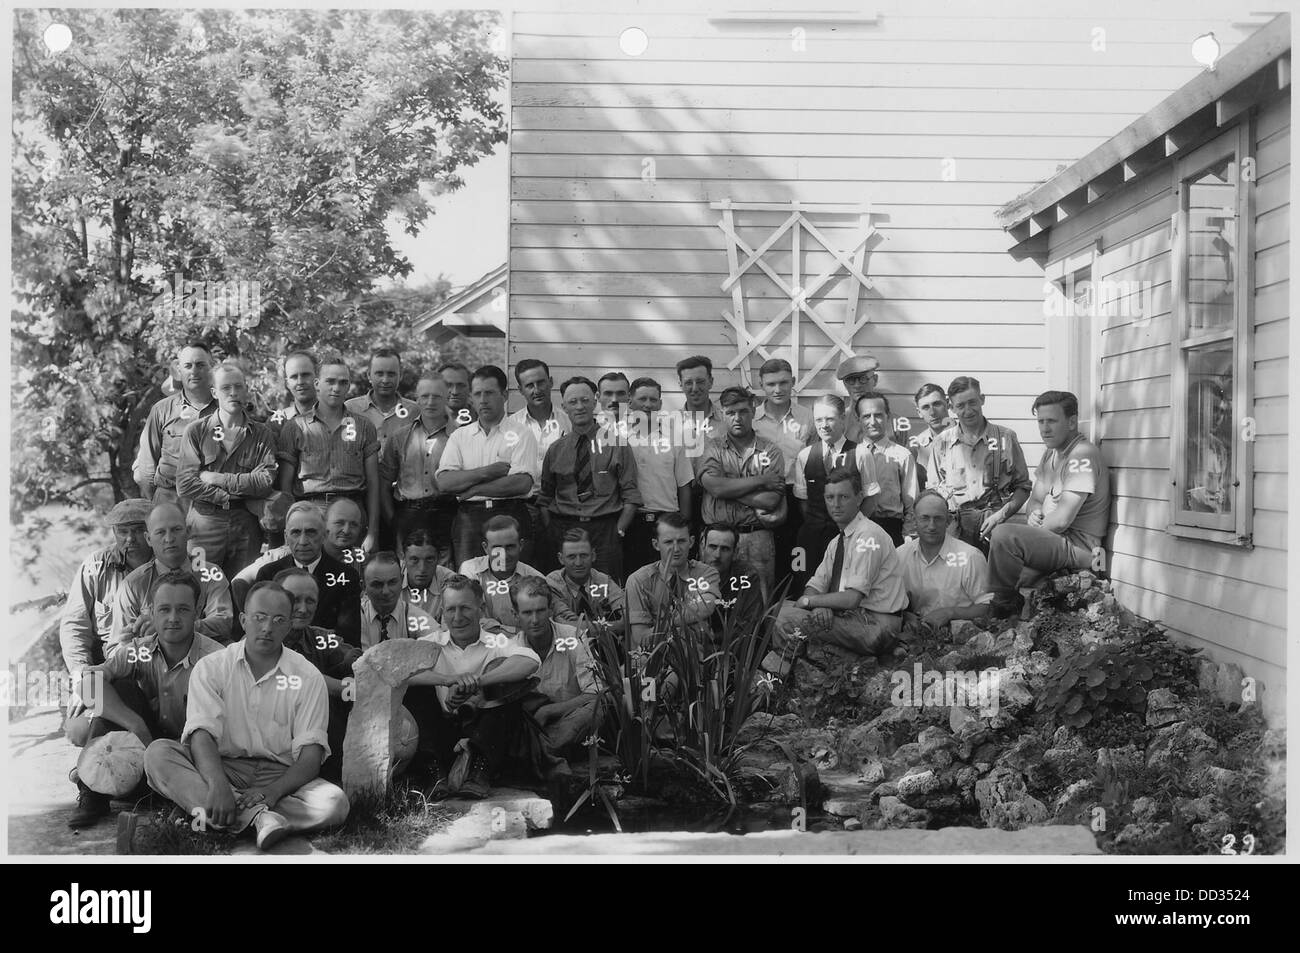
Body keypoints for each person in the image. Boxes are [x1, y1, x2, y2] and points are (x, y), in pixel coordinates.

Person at [143, 582, 350, 850]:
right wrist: (218, 784)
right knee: (158, 754)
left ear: (288, 627)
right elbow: (201, 734)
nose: (267, 627)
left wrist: (271, 793)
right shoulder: (213, 667)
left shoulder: (307, 677)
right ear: (243, 620)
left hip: (280, 774)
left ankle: (216, 812)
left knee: (335, 803)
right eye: (259, 617)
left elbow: (310, 758)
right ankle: (258, 819)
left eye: (278, 620)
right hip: (223, 765)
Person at [65, 572, 223, 829]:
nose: (173, 618)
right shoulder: (139, 649)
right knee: (120, 689)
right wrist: (136, 724)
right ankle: (92, 793)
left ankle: (154, 794)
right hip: (145, 744)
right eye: (164, 609)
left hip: (187, 756)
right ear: (151, 612)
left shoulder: (216, 659)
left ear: (197, 612)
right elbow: (89, 684)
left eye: (183, 609)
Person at [401, 575, 542, 799]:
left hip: (484, 733)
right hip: (440, 733)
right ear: (442, 612)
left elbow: (530, 661)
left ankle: (479, 771)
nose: (457, 617)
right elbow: (401, 674)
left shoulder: (497, 641)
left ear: (481, 608)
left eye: (465, 608)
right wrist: (449, 680)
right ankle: (434, 772)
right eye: (451, 609)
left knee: (507, 690)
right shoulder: (431, 642)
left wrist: (477, 682)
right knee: (416, 689)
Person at [764, 468, 906, 676]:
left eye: (843, 497)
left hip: (877, 626)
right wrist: (818, 606)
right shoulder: (837, 541)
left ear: (859, 499)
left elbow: (850, 599)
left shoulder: (868, 536)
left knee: (781, 615)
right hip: (854, 620)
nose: (836, 504)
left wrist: (811, 603)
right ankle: (798, 673)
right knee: (779, 609)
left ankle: (784, 679)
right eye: (830, 497)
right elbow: (814, 587)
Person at [987, 391, 1111, 618]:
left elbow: (1062, 520)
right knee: (1009, 565)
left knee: (1005, 535)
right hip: (1056, 541)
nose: (1044, 428)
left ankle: (1004, 608)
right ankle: (1006, 602)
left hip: (1081, 549)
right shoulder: (1051, 454)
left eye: (1052, 421)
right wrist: (1033, 513)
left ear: (1072, 421)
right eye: (1040, 421)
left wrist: (1029, 539)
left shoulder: (1082, 455)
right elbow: (1035, 499)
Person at [175, 362, 279, 577]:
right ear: (214, 392)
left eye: (239, 387)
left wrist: (216, 478)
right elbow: (185, 484)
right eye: (226, 388)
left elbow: (265, 481)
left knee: (242, 585)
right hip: (205, 522)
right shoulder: (197, 431)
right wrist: (225, 496)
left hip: (246, 524)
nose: (233, 393)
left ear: (246, 390)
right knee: (197, 585)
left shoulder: (262, 434)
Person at [436, 365, 540, 567]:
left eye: (490, 393)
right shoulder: (460, 436)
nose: (483, 400)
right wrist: (488, 472)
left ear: (504, 395)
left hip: (510, 516)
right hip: (469, 519)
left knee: (511, 581)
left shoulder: (521, 433)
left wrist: (475, 488)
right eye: (477, 394)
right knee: (469, 581)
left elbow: (522, 483)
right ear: (471, 398)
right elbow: (444, 482)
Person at [538, 376, 641, 582]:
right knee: (564, 590)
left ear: (595, 401)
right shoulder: (556, 449)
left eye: (585, 400)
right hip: (564, 529)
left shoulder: (617, 445)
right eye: (573, 402)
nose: (579, 407)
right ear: (564, 407)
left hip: (604, 532)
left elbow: (631, 496)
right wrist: (552, 530)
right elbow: (545, 496)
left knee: (606, 592)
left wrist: (618, 531)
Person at [277, 354, 381, 553]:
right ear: (317, 383)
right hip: (311, 510)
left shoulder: (364, 426)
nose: (336, 388)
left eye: (343, 383)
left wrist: (372, 533)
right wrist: (289, 527)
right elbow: (285, 486)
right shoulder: (295, 427)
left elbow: (374, 483)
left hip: (352, 511)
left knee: (352, 577)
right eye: (330, 381)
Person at [930, 376, 1033, 556]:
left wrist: (1001, 516)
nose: (968, 410)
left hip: (996, 523)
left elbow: (1023, 487)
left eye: (972, 402)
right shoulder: (942, 443)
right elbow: (932, 493)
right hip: (957, 527)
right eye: (960, 405)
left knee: (995, 580)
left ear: (982, 399)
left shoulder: (1006, 437)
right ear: (951, 407)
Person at [275, 569, 361, 783]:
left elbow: (361, 663)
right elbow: (309, 680)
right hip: (272, 735)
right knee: (322, 700)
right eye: (294, 600)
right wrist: (348, 689)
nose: (303, 609)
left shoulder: (319, 638)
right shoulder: (264, 639)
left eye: (310, 601)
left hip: (313, 739)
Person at [109, 502, 234, 649]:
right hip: (152, 664)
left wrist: (166, 627)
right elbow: (115, 647)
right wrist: (127, 645)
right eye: (160, 532)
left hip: (204, 661)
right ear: (148, 539)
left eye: (176, 530)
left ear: (188, 532)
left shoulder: (211, 574)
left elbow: (223, 623)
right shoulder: (132, 585)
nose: (169, 539)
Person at [698, 386, 786, 592]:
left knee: (759, 603)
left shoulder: (770, 450)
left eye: (743, 411)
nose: (737, 418)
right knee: (709, 598)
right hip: (717, 538)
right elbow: (715, 488)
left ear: (753, 411)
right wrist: (761, 480)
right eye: (730, 413)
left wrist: (727, 485)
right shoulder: (713, 448)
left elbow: (770, 501)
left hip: (756, 538)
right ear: (723, 415)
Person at [59, 499, 154, 676]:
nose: (130, 539)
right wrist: (81, 671)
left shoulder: (170, 562)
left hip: (159, 658)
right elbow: (75, 624)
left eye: (139, 530)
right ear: (113, 531)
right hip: (109, 664)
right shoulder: (95, 566)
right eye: (122, 531)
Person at [513, 578, 604, 758]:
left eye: (540, 611)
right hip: (534, 724)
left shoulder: (573, 636)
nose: (535, 620)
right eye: (527, 613)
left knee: (597, 708)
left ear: (551, 610)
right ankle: (548, 753)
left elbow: (595, 692)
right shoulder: (511, 650)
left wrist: (550, 710)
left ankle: (542, 754)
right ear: (516, 615)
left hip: (570, 717)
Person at [792, 396, 874, 595]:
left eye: (829, 419)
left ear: (843, 419)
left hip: (849, 537)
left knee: (843, 589)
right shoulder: (805, 456)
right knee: (806, 585)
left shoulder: (861, 453)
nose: (824, 425)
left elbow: (871, 497)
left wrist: (853, 530)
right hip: (812, 538)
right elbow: (803, 502)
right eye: (819, 420)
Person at [252, 502, 362, 646]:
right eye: (296, 532)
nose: (303, 541)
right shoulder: (268, 574)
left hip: (327, 660)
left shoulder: (346, 576)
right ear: (286, 536)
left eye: (311, 532)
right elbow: (258, 629)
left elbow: (348, 638)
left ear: (324, 535)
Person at [380, 374, 458, 563]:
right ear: (416, 398)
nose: (430, 402)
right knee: (407, 572)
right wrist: (394, 519)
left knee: (444, 574)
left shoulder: (460, 436)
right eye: (425, 396)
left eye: (437, 396)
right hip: (407, 515)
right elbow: (383, 482)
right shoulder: (399, 437)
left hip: (446, 514)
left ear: (447, 397)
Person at [751, 358, 814, 591]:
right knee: (765, 555)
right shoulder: (752, 419)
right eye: (771, 384)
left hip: (796, 494)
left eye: (783, 383)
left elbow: (814, 457)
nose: (777, 390)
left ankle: (794, 601)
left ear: (793, 382)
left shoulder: (807, 417)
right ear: (761, 385)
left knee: (797, 552)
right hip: (761, 493)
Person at [133, 342, 218, 507]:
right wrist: (157, 502)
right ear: (179, 370)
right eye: (188, 366)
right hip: (170, 500)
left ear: (212, 367)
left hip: (213, 505)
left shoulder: (227, 410)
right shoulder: (162, 410)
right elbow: (147, 464)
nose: (194, 371)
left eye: (200, 365)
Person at [622, 377, 693, 572]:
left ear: (660, 404)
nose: (647, 405)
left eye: (653, 400)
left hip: (666, 521)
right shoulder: (617, 437)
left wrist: (683, 524)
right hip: (630, 521)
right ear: (630, 402)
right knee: (633, 580)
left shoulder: (675, 437)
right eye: (642, 399)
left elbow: (684, 485)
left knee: (667, 581)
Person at [896, 491, 992, 632]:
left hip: (964, 635)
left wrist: (950, 613)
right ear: (914, 520)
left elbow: (987, 606)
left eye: (938, 519)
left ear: (948, 521)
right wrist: (906, 616)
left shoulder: (970, 557)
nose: (932, 526)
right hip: (918, 633)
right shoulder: (900, 556)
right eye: (925, 518)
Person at [625, 514, 720, 651]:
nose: (676, 549)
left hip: (694, 656)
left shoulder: (706, 573)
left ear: (691, 542)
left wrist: (661, 626)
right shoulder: (638, 580)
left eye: (681, 541)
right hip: (650, 658)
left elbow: (706, 607)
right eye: (668, 542)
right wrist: (687, 627)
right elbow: (641, 637)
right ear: (656, 545)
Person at [233, 497, 367, 595]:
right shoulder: (281, 556)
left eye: (354, 524)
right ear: (326, 526)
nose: (346, 530)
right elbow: (239, 582)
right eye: (339, 523)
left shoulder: (362, 559)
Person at [510, 359, 570, 572]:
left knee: (556, 566)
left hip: (559, 507)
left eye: (541, 382)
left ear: (550, 382)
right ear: (520, 389)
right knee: (522, 567)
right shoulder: (511, 426)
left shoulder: (568, 422)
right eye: (529, 385)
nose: (537, 390)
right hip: (522, 506)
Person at [458, 515, 561, 630]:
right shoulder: (470, 570)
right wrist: (511, 632)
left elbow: (542, 625)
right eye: (497, 548)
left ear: (521, 545)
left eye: (510, 547)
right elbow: (469, 618)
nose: (504, 555)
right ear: (485, 548)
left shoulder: (535, 578)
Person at [853, 392, 918, 547]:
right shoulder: (850, 455)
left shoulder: (902, 455)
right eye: (866, 416)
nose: (873, 421)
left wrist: (909, 535)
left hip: (891, 528)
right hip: (858, 527)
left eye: (879, 415)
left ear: (888, 416)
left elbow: (912, 501)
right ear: (858, 419)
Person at [545, 527, 626, 638]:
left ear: (593, 556)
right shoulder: (553, 583)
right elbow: (568, 627)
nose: (578, 563)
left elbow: (628, 617)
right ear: (561, 558)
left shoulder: (603, 580)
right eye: (571, 557)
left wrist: (586, 627)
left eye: (583, 555)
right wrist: (616, 626)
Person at [344, 347, 419, 452]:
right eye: (379, 374)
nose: (385, 380)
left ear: (400, 375)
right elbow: (345, 450)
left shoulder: (414, 412)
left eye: (391, 374)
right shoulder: (350, 409)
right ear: (369, 375)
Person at [359, 551, 438, 648]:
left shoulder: (415, 617)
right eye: (377, 584)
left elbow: (439, 643)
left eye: (392, 582)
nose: (386, 591)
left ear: (401, 581)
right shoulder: (357, 617)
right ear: (363, 586)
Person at [699, 523, 766, 638]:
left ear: (735, 553)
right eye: (712, 547)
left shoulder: (747, 576)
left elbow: (751, 623)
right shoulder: (689, 574)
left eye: (725, 549)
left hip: (734, 647)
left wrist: (714, 637)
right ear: (702, 547)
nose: (717, 555)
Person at [402, 528, 458, 622]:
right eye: (414, 560)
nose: (422, 568)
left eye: (429, 559)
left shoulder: (451, 583)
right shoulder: (389, 578)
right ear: (404, 559)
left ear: (439, 559)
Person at [910, 383, 953, 491]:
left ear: (947, 404)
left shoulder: (968, 436)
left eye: (937, 404)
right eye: (925, 407)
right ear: (919, 413)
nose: (932, 412)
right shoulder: (916, 446)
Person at [836, 353, 881, 444]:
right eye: (850, 380)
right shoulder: (839, 422)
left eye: (863, 379)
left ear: (875, 380)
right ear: (845, 384)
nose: (857, 385)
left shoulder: (893, 422)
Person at [438, 361, 475, 425]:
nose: (455, 392)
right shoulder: (422, 421)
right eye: (448, 385)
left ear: (470, 388)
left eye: (461, 385)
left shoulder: (485, 421)